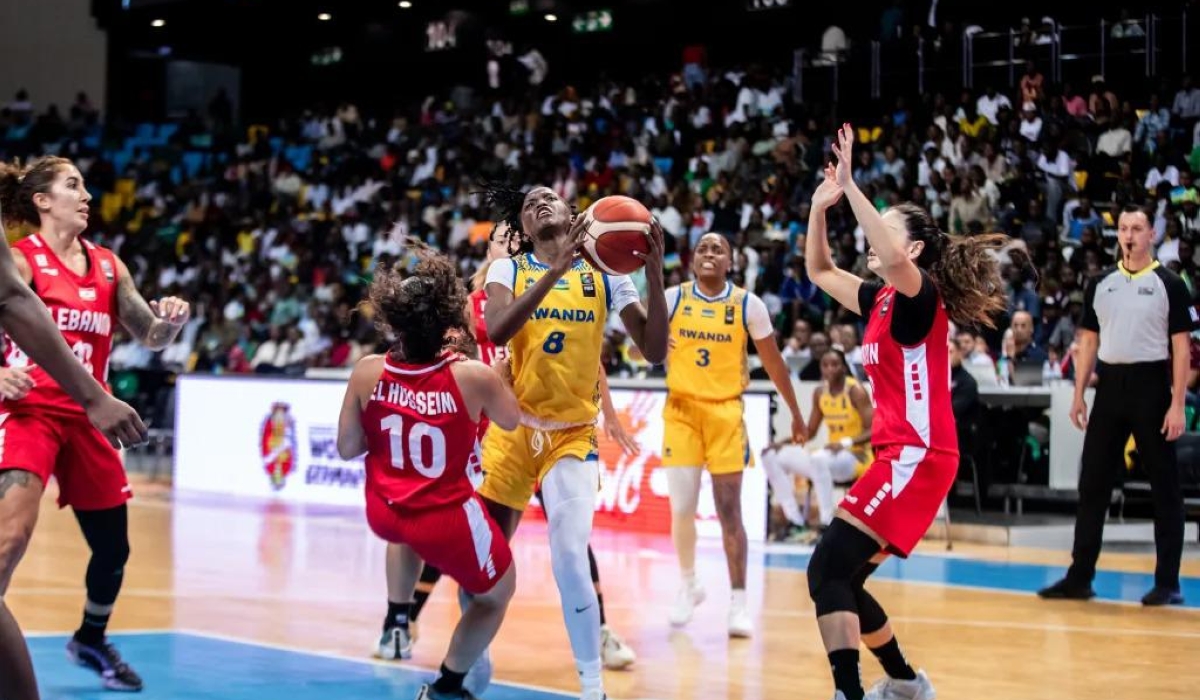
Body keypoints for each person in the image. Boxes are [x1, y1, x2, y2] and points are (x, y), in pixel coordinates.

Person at [805, 125, 1014, 700]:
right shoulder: (879, 298)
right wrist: (821, 208)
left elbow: (891, 253)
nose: (872, 241)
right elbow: (819, 271)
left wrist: (850, 187)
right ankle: (906, 684)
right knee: (842, 579)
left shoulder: (919, 298)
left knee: (824, 572)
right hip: (905, 457)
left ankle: (855, 694)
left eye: (886, 230)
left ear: (914, 250)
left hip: (916, 457)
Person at [379, 223, 638, 674]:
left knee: (573, 541)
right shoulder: (463, 306)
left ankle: (599, 631)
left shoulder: (544, 287)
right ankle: (406, 623)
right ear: (490, 249)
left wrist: (610, 413)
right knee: (464, 538)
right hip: (484, 434)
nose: (512, 242)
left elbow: (587, 354)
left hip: (547, 424)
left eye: (516, 238)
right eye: (503, 238)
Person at [474, 184, 668, 700]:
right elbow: (496, 330)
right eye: (528, 204)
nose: (538, 203)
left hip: (571, 435)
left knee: (566, 553)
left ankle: (592, 687)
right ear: (524, 226)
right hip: (513, 430)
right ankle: (471, 667)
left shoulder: (607, 273)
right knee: (480, 561)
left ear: (572, 213)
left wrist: (653, 274)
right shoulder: (507, 270)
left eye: (549, 198)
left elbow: (653, 352)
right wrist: (556, 269)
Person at [0, 156, 166, 698]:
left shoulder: (110, 266)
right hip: (34, 412)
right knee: (8, 543)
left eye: (87, 185)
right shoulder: (21, 262)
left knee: (114, 549)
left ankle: (91, 638)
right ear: (43, 201)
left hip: (92, 416)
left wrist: (172, 321)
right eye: (73, 185)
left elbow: (152, 334)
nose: (87, 194)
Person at [337, 245, 521, 700]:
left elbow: (347, 448)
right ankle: (447, 687)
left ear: (392, 322)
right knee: (497, 594)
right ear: (447, 324)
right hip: (445, 516)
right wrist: (502, 376)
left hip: (384, 511)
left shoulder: (366, 371)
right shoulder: (473, 375)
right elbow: (511, 420)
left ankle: (397, 620)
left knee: (408, 534)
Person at [1039, 204, 1192, 607]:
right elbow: (1088, 340)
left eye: (1137, 228)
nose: (1129, 234)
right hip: (1109, 385)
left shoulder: (1170, 283)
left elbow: (1181, 349)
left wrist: (1177, 404)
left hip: (1152, 385)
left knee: (1164, 486)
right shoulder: (1101, 283)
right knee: (1092, 483)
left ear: (1151, 235)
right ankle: (1080, 576)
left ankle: (1168, 582)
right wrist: (1077, 395)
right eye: (1123, 228)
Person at [660, 231, 805, 637]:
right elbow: (639, 349)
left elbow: (775, 364)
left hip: (725, 413)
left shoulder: (748, 305)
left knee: (729, 511)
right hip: (681, 411)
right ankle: (689, 584)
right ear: (692, 261)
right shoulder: (673, 298)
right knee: (682, 508)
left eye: (718, 249)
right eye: (703, 248)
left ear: (731, 262)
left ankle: (738, 603)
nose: (709, 253)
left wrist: (795, 412)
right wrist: (653, 344)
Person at [763, 348, 873, 535]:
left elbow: (874, 429)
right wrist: (785, 441)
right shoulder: (820, 392)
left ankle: (826, 523)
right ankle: (795, 521)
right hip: (828, 458)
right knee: (771, 456)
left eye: (835, 365)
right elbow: (810, 432)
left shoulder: (856, 391)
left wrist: (845, 443)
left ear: (843, 367)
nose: (830, 369)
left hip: (856, 457)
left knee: (819, 459)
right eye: (825, 365)